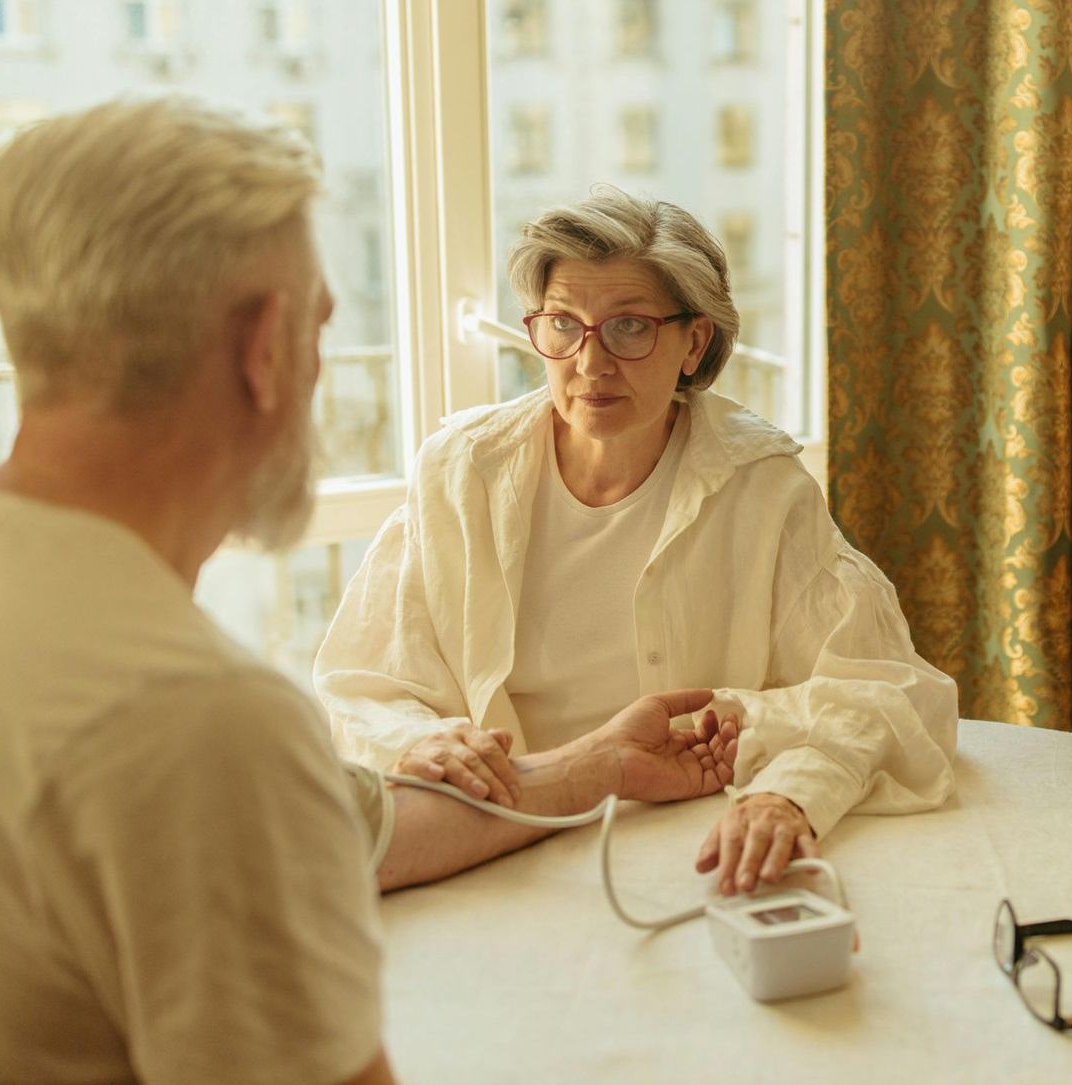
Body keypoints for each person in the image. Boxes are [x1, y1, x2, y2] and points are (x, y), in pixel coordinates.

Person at [0, 96, 739, 1085]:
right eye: (322, 325)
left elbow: (350, 827)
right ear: (264, 348)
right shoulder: (199, 721)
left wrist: (588, 764)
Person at [316, 187, 958, 898]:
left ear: (695, 342)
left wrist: (788, 791)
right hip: (494, 843)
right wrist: (417, 740)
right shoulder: (461, 470)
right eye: (563, 325)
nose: (590, 364)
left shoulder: (764, 488)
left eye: (628, 327)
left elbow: (888, 689)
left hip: (687, 851)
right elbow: (361, 682)